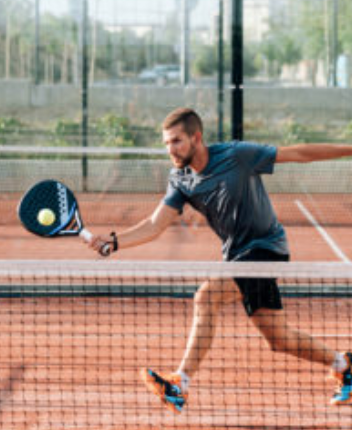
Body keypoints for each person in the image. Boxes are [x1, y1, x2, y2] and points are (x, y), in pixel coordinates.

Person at [87, 106, 352, 413]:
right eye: (166, 143)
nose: (170, 150)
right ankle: (344, 366)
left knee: (205, 298)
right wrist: (115, 240)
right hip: (237, 257)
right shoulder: (181, 180)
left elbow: (297, 154)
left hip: (266, 249)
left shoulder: (237, 155)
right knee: (279, 338)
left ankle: (179, 384)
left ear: (196, 138)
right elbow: (155, 224)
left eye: (176, 141)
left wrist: (349, 149)